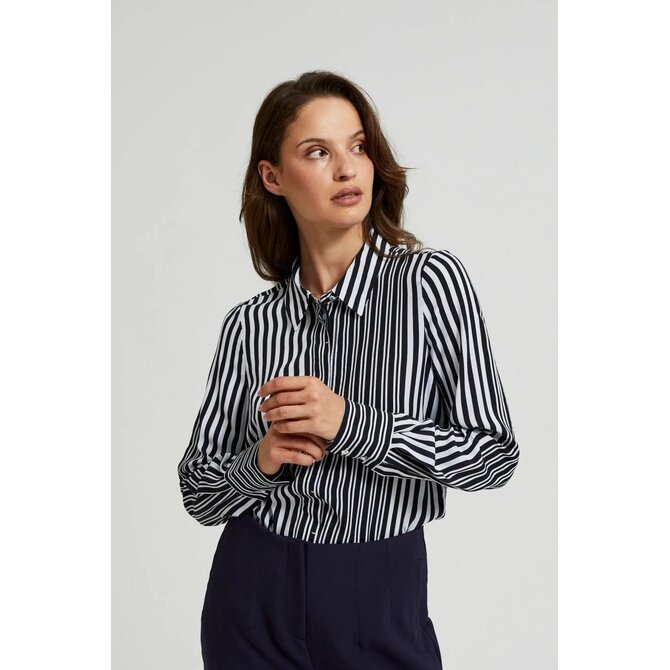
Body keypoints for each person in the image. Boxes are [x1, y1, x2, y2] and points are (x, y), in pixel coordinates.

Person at [177, 70, 520, 670]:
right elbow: (199, 492)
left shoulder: (429, 284)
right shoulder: (250, 325)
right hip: (253, 591)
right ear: (272, 177)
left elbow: (493, 455)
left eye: (357, 146)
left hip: (378, 587)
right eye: (318, 152)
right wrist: (261, 460)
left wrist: (351, 424)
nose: (346, 169)